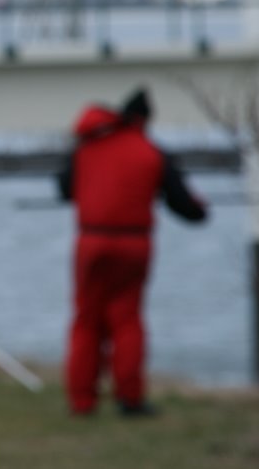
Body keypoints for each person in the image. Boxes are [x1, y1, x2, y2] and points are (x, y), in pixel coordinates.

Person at [57, 87, 207, 417]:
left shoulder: (86, 147)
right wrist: (201, 209)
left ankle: (82, 400)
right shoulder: (152, 152)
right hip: (134, 246)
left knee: (86, 321)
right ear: (143, 120)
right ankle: (129, 398)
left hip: (91, 243)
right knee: (127, 320)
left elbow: (64, 189)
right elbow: (186, 207)